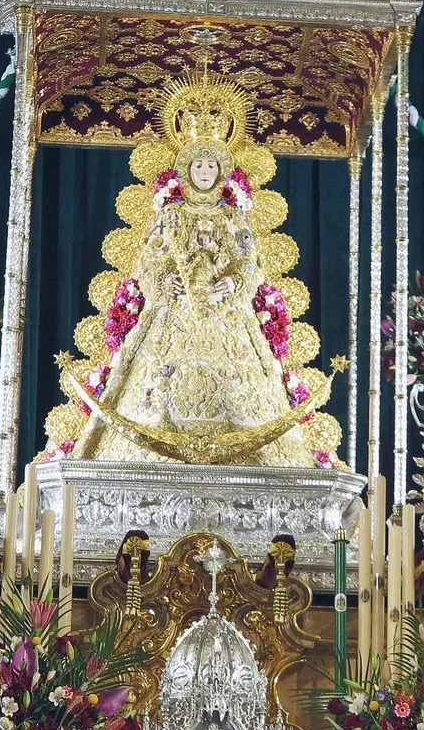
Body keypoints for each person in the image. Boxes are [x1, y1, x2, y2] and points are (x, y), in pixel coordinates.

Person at [69, 75, 321, 467]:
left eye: (211, 165)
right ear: (187, 169)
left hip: (226, 315)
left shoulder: (234, 218)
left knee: (243, 394)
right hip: (173, 311)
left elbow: (249, 263)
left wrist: (233, 283)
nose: (204, 170)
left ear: (222, 171)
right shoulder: (170, 215)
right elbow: (149, 260)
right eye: (198, 164)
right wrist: (161, 280)